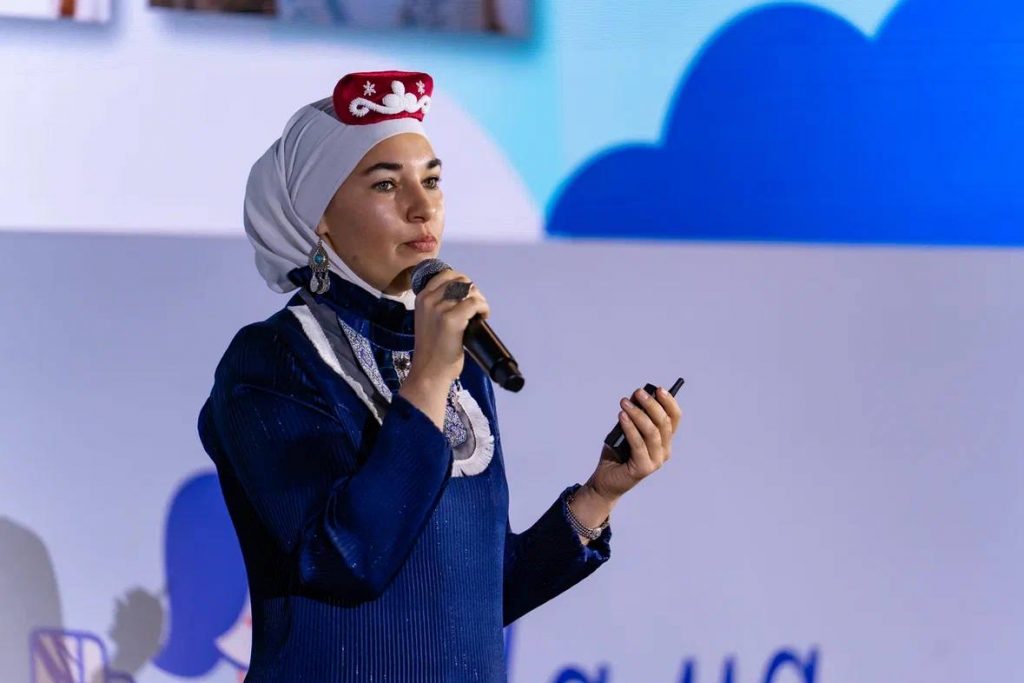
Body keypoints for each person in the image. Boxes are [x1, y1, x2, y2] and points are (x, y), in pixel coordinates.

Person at [197, 70, 683, 681]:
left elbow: (480, 600)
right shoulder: (272, 360)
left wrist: (600, 494)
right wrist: (427, 380)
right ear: (319, 218)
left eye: (431, 180)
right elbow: (345, 560)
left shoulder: (451, 356)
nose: (422, 206)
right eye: (386, 184)